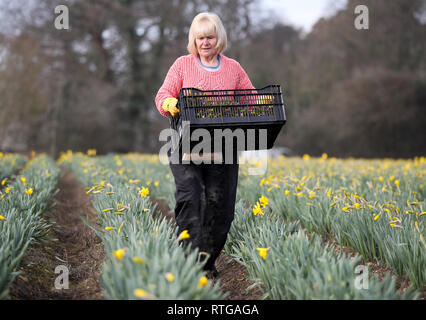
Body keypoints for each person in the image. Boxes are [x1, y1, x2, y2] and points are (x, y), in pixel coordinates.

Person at [155, 12, 255, 278]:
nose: (205, 43)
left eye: (210, 37)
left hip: (223, 145)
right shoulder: (182, 65)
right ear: (194, 40)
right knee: (190, 195)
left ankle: (206, 264)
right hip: (185, 144)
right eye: (200, 38)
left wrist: (255, 110)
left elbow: (252, 101)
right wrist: (169, 103)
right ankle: (188, 263)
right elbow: (163, 94)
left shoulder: (233, 69)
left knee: (220, 208)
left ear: (218, 38)